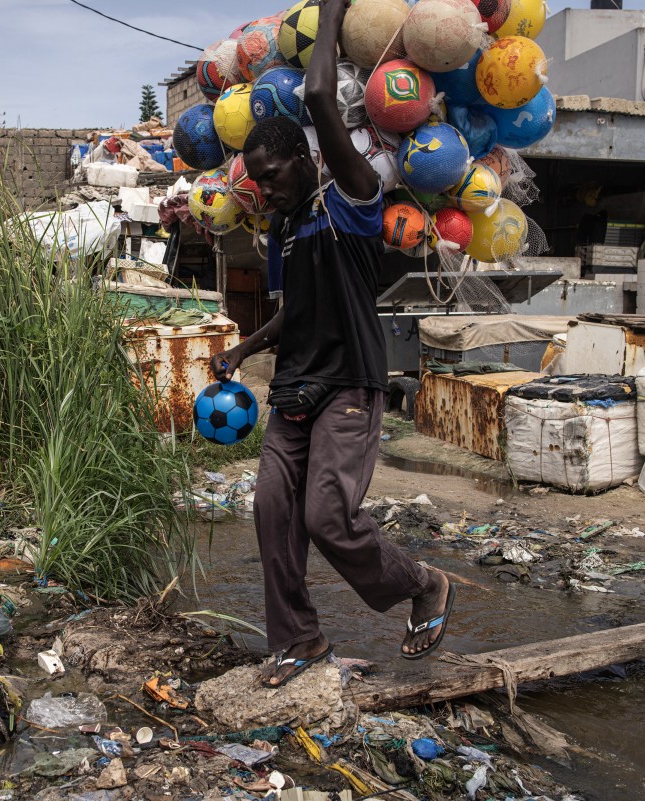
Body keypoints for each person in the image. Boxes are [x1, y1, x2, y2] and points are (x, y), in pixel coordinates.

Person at [209, 0, 455, 688]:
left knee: (326, 515)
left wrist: (335, 9)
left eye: (273, 173)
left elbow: (319, 94)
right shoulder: (283, 230)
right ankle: (301, 641)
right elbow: (294, 311)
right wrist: (244, 350)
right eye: (255, 179)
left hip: (348, 383)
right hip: (293, 390)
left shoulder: (350, 200)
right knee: (272, 514)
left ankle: (424, 584)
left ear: (305, 158)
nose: (264, 188)